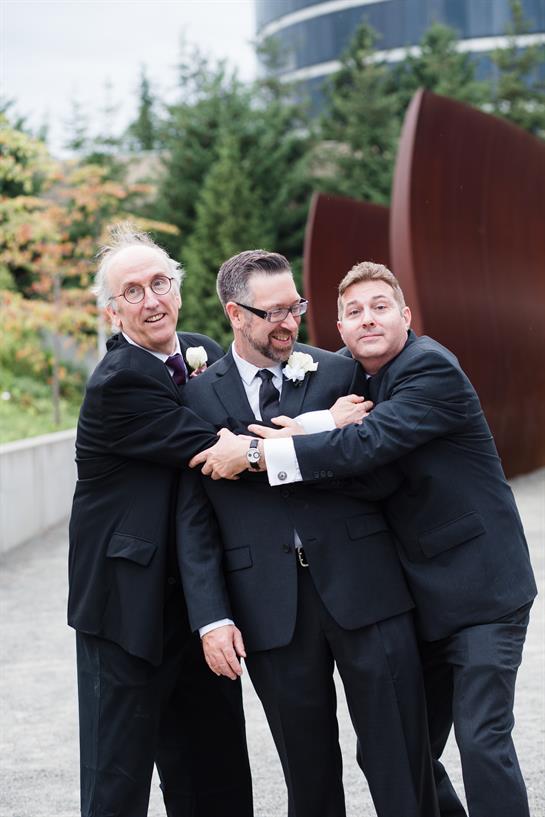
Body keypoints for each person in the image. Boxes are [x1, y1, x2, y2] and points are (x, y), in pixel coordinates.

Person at [193, 261, 537, 817]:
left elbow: (367, 445)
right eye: (353, 312)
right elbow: (364, 469)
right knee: (408, 753)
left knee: (481, 740)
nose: (367, 320)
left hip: (479, 593)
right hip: (416, 596)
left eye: (380, 307)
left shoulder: (429, 369)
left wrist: (256, 452)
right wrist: (322, 423)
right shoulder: (359, 377)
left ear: (406, 315)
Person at [177, 249, 440, 817]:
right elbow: (194, 518)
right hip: (269, 608)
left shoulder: (343, 373)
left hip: (368, 589)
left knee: (402, 761)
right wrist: (213, 618)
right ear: (235, 315)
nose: (288, 322)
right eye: (271, 312)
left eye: (294, 306)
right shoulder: (197, 398)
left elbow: (383, 473)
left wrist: (291, 446)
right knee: (309, 776)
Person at [68, 223, 253, 817]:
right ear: (112, 309)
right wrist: (318, 428)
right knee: (118, 776)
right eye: (132, 291)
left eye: (159, 283)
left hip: (202, 600)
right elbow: (215, 444)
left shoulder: (205, 350)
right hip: (127, 603)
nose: (151, 300)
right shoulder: (120, 381)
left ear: (177, 287)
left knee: (213, 766)